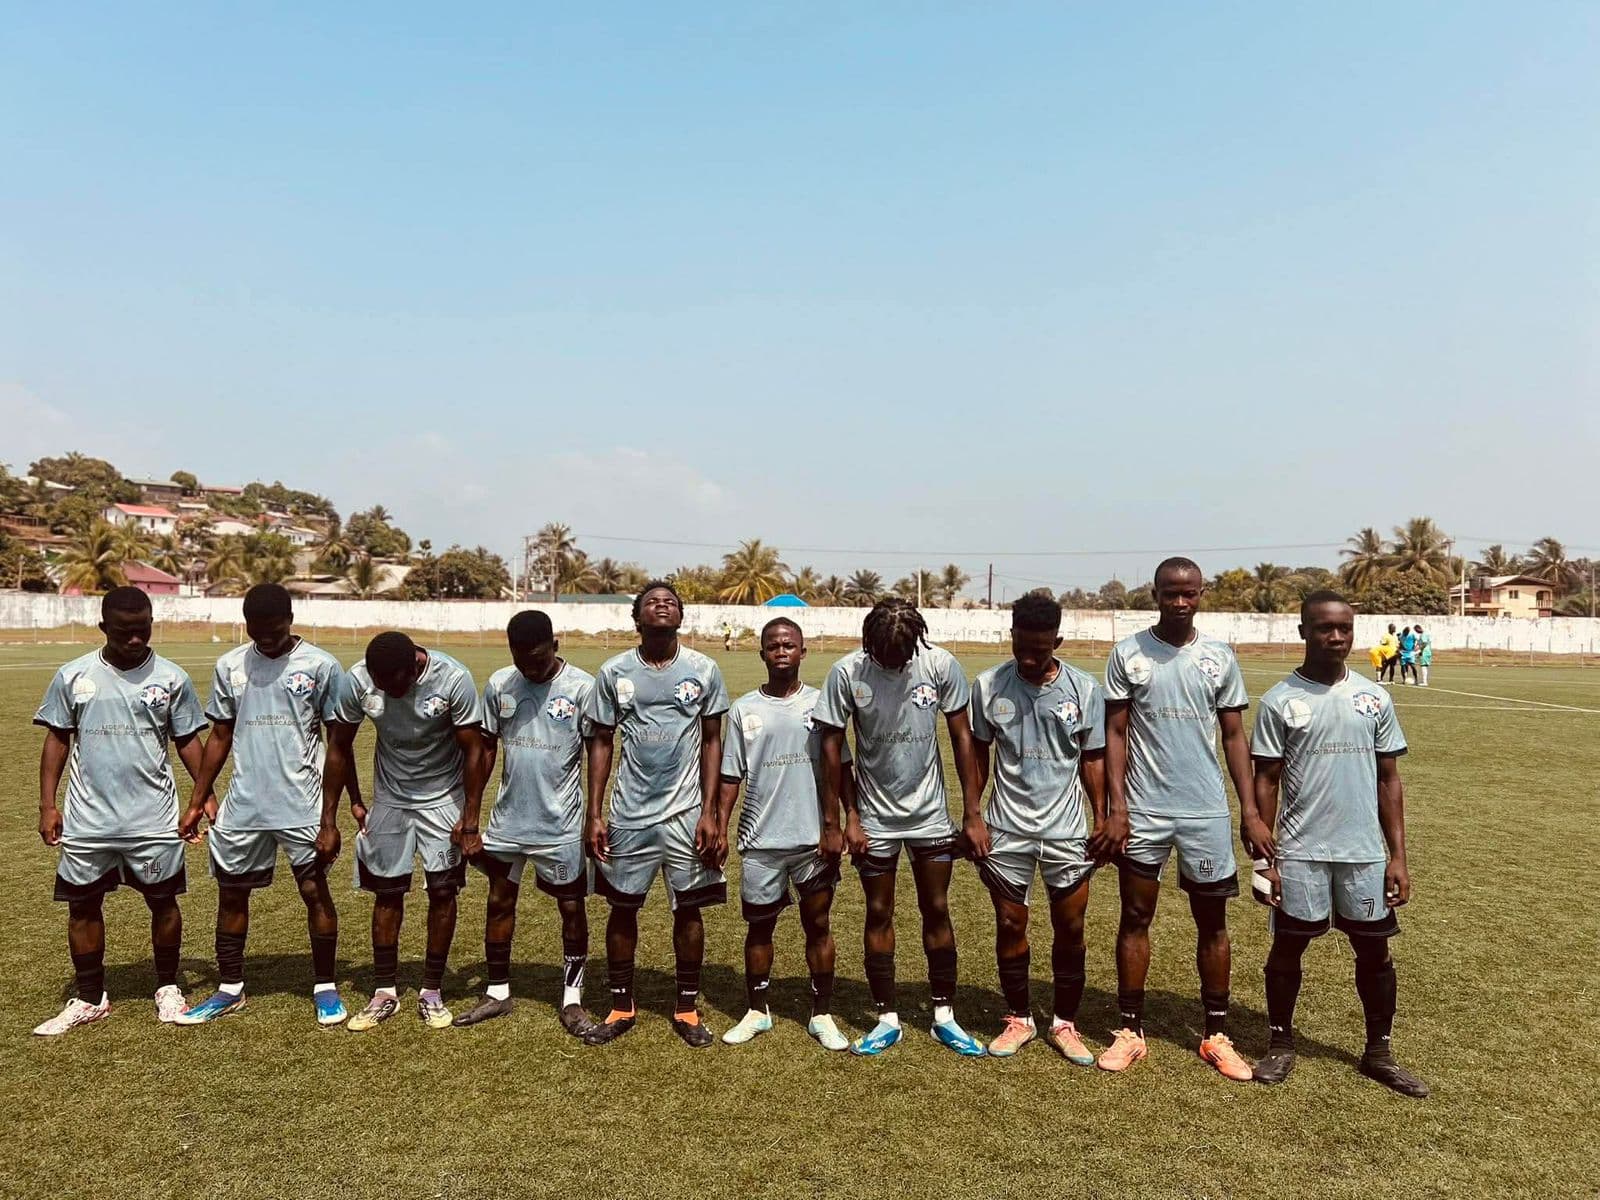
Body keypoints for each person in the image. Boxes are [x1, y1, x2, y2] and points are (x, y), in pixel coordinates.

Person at [1242, 590, 1428, 1097]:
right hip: (1300, 851)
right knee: (1288, 946)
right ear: (1304, 632)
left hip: (1363, 853)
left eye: (1345, 628)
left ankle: (1379, 1053)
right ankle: (1280, 1044)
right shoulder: (1281, 700)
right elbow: (1266, 779)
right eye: (1325, 628)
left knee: (1374, 952)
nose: (1337, 637)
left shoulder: (1374, 698)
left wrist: (1398, 857)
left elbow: (1389, 779)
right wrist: (1264, 860)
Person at [1098, 558, 1255, 1080]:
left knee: (1212, 922)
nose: (1180, 602)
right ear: (1156, 595)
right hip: (1144, 811)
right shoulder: (1128, 654)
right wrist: (1118, 808)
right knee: (1135, 915)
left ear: (1201, 594)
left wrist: (1250, 811)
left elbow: (1234, 735)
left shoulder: (1218, 657)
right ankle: (1130, 1030)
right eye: (1171, 593)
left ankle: (1215, 1034)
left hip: (1204, 812)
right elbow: (1115, 733)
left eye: (1189, 593)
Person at [814, 597, 987, 1057]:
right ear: (868, 643)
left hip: (930, 815)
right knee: (878, 912)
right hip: (874, 819)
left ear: (916, 644)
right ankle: (886, 1018)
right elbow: (831, 747)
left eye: (900, 656)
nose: (892, 664)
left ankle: (944, 1015)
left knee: (937, 907)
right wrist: (842, 819)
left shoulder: (939, 665)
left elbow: (962, 736)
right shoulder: (847, 672)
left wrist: (972, 813)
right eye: (883, 656)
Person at [32, 586, 208, 1036]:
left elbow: (187, 739)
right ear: (103, 628)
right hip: (88, 819)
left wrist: (203, 796)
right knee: (82, 906)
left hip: (153, 817)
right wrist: (48, 804)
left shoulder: (171, 678)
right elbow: (57, 739)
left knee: (163, 901)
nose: (135, 639)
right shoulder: (74, 675)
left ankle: (167, 987)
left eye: (143, 630)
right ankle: (90, 997)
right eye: (124, 631)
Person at [174, 584, 348, 1027]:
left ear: (291, 619)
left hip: (301, 803)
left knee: (314, 891)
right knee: (231, 894)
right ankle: (230, 988)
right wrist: (197, 800)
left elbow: (338, 746)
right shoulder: (230, 665)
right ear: (246, 623)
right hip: (244, 804)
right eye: (257, 629)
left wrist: (331, 819)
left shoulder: (321, 666)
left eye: (275, 629)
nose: (266, 637)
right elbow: (220, 736)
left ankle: (325, 987)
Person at [583, 581, 731, 1048]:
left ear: (680, 617)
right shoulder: (614, 671)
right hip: (630, 813)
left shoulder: (703, 669)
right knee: (622, 908)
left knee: (689, 910)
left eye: (670, 602)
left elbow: (713, 740)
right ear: (637, 618)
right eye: (652, 601)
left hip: (686, 813)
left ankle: (686, 1007)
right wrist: (594, 813)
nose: (662, 605)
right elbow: (601, 741)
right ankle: (620, 1006)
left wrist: (710, 812)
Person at [969, 592, 1113, 1061]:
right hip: (1007, 827)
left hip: (1066, 829)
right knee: (1011, 922)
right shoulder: (988, 686)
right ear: (1011, 635)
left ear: (1058, 641)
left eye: (1041, 648)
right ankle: (1019, 1018)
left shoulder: (1084, 690)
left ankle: (1065, 1023)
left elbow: (1092, 757)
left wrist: (1102, 816)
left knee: (1070, 926)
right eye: (1022, 647)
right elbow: (978, 753)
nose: (1029, 658)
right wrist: (972, 814)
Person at [327, 631, 485, 1031]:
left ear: (415, 665)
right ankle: (385, 992)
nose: (389, 693)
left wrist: (469, 818)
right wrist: (339, 811)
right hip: (391, 799)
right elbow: (339, 745)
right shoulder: (358, 680)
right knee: (387, 893)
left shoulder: (453, 679)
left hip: (443, 798)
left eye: (395, 685)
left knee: (443, 892)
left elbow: (475, 750)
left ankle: (431, 990)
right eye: (381, 685)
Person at [453, 610, 598, 1035]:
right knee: (499, 901)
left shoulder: (582, 688)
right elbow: (485, 751)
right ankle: (497, 992)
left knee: (570, 907)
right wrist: (470, 818)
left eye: (537, 659)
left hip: (561, 823)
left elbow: (596, 754)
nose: (529, 669)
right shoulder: (501, 684)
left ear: (555, 645)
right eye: (520, 660)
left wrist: (594, 815)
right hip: (508, 822)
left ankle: (572, 999)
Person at [714, 617, 854, 1051]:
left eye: (789, 645)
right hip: (761, 841)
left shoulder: (821, 704)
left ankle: (822, 1014)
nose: (781, 651)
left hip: (813, 840)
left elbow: (841, 767)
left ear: (802, 652)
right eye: (773, 645)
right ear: (762, 654)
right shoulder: (743, 710)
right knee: (759, 929)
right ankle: (757, 1011)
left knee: (818, 925)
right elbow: (731, 775)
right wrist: (720, 825)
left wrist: (848, 819)